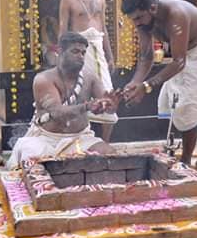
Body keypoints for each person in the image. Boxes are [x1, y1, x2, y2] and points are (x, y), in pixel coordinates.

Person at [120, 0, 197, 168]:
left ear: (152, 8)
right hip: (185, 55)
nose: (136, 23)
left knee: (185, 106)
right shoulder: (143, 21)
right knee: (173, 102)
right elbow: (146, 56)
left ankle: (185, 163)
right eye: (133, 20)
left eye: (139, 18)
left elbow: (178, 62)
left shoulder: (176, 15)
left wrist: (146, 86)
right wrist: (135, 82)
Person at [7, 32, 118, 169]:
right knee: (31, 165)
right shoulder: (43, 79)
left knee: (110, 156)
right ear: (60, 51)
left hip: (80, 138)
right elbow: (58, 113)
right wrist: (88, 106)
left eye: (83, 53)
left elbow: (107, 104)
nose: (81, 56)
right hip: (46, 140)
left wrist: (109, 104)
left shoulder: (90, 78)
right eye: (75, 51)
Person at [59, 0, 117, 141]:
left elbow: (104, 28)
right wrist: (63, 59)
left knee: (107, 93)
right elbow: (63, 31)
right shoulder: (68, 0)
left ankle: (105, 144)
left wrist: (110, 56)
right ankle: (78, 142)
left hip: (98, 50)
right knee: (79, 94)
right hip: (78, 51)